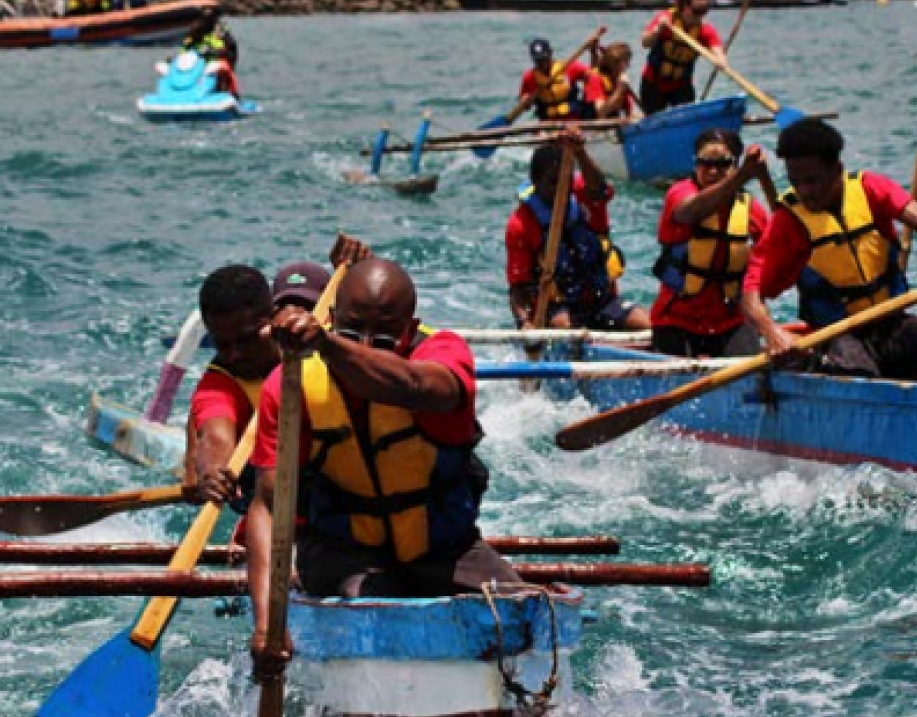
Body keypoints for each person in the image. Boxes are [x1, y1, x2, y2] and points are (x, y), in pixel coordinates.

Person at [243, 258, 521, 680]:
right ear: (333, 319)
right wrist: (267, 624)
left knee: (527, 618)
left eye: (385, 337)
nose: (369, 345)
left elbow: (421, 388)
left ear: (411, 330)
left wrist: (335, 346)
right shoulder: (289, 385)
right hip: (343, 553)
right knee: (379, 606)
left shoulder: (444, 353)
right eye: (353, 331)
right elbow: (266, 506)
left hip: (442, 549)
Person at [740, 118, 917, 382]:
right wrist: (773, 333)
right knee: (854, 370)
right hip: (836, 337)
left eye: (812, 181)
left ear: (837, 170)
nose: (804, 191)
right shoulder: (789, 222)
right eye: (796, 182)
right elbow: (750, 294)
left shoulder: (870, 190)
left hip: (891, 324)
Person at [183, 235, 371, 549]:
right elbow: (216, 437)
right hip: (280, 513)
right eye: (222, 343)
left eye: (245, 339)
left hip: (348, 504)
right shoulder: (220, 383)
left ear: (271, 316)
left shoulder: (316, 338)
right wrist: (211, 472)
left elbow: (379, 320)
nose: (233, 355)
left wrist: (362, 269)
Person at [505, 128, 650, 332]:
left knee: (647, 324)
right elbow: (518, 288)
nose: (560, 189)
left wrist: (580, 152)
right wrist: (524, 323)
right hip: (557, 309)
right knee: (565, 327)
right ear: (534, 182)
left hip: (601, 299)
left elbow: (600, 190)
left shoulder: (584, 194)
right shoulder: (520, 224)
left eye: (565, 181)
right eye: (552, 182)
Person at [651, 129, 769, 357]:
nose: (713, 171)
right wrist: (741, 177)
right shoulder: (680, 193)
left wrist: (763, 178)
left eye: (723, 164)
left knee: (753, 375)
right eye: (704, 163)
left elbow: (778, 250)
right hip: (676, 321)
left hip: (729, 322)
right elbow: (689, 213)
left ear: (735, 164)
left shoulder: (751, 209)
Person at [639, 0, 724, 116]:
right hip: (653, 84)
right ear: (684, 6)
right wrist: (658, 29)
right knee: (653, 120)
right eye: (696, 11)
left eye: (704, 11)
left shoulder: (705, 30)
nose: (700, 16)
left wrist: (720, 61)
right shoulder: (666, 19)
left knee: (687, 117)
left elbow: (718, 52)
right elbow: (645, 42)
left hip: (681, 87)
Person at [516, 34, 597, 122]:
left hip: (573, 119)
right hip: (547, 122)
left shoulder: (568, 67)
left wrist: (593, 52)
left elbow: (594, 74)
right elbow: (525, 106)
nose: (542, 63)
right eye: (538, 60)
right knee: (543, 134)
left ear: (551, 53)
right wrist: (525, 101)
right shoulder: (529, 77)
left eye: (544, 58)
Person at [180, 5, 240, 96]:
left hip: (217, 61)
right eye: (204, 15)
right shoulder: (194, 31)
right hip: (197, 63)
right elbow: (184, 51)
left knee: (224, 68)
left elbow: (229, 48)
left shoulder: (220, 30)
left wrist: (216, 52)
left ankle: (232, 95)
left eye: (210, 15)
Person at [583, 42, 639, 120]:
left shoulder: (618, 79)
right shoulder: (595, 79)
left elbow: (628, 112)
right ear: (614, 63)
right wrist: (619, 90)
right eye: (626, 62)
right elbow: (601, 112)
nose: (628, 66)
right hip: (594, 125)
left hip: (613, 122)